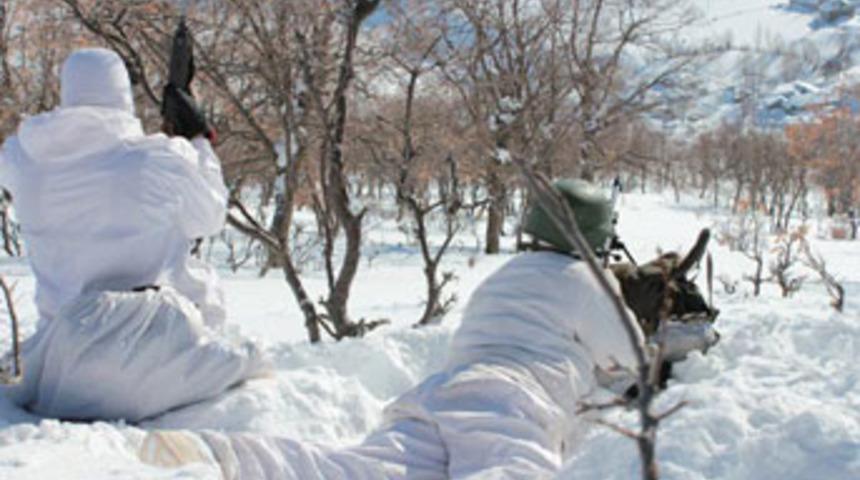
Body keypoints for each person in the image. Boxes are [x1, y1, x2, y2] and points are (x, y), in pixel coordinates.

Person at [139, 180, 671, 479]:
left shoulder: (502, 276)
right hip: (511, 403)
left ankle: (226, 456)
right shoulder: (586, 280)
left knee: (365, 469)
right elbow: (632, 357)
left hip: (442, 394)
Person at [0, 48, 267, 422]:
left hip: (61, 360)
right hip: (160, 350)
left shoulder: (24, 161)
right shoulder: (157, 160)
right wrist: (199, 141)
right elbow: (210, 216)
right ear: (123, 94)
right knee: (256, 362)